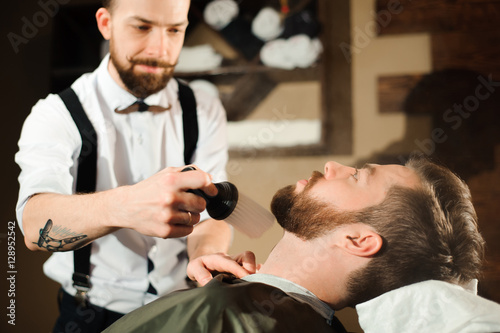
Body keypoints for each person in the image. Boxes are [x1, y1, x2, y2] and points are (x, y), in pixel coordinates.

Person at [15, 0, 232, 331]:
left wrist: (205, 255)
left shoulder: (204, 108)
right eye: (142, 27)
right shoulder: (56, 115)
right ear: (106, 23)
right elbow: (34, 226)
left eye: (174, 30)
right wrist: (127, 206)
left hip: (181, 308)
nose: (160, 48)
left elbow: (209, 216)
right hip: (91, 314)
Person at [104, 155, 500, 332]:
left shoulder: (234, 316)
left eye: (357, 176)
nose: (333, 167)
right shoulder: (249, 308)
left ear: (359, 240)